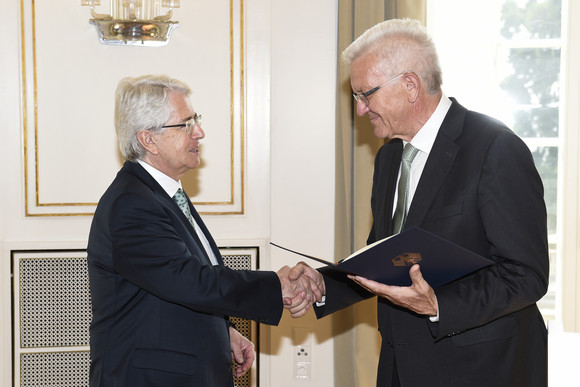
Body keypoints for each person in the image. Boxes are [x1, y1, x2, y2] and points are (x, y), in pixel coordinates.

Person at [291, 18, 549, 387]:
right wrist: (321, 285)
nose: (361, 109)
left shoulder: (495, 148)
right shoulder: (389, 158)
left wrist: (439, 306)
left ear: (410, 85)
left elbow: (526, 274)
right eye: (357, 96)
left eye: (367, 94)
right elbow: (384, 258)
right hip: (401, 364)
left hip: (482, 368)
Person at [87, 74, 324, 387]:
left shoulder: (163, 194)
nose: (199, 132)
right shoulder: (131, 204)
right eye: (185, 124)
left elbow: (177, 288)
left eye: (195, 119)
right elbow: (189, 281)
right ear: (148, 139)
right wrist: (275, 286)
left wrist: (223, 332)